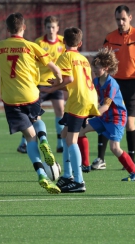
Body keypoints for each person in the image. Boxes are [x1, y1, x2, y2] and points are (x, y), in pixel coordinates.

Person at [0, 12, 62, 193]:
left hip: (10, 99)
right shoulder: (31, 46)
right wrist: (59, 77)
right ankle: (44, 139)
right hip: (30, 94)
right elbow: (52, 65)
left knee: (30, 137)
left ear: (7, 29)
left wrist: (1, 73)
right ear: (24, 27)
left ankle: (41, 174)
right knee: (37, 120)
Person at [91, 5, 135, 170]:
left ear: (130, 18)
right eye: (118, 19)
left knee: (130, 124)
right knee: (105, 118)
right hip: (113, 84)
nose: (120, 22)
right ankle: (100, 159)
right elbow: (101, 60)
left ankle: (131, 160)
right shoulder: (110, 37)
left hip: (133, 83)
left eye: (123, 19)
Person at [40, 27, 100, 193]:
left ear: (63, 42)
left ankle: (79, 181)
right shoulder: (84, 59)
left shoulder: (65, 56)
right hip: (88, 98)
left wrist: (53, 89)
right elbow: (75, 83)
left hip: (79, 101)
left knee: (71, 140)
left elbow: (69, 79)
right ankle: (67, 176)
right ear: (80, 43)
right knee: (66, 134)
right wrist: (58, 86)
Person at [77, 47, 135, 182]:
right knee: (80, 132)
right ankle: (85, 165)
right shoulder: (95, 81)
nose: (94, 70)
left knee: (114, 148)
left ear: (106, 68)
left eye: (98, 67)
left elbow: (106, 106)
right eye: (94, 67)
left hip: (116, 118)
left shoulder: (111, 84)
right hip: (104, 116)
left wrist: (89, 115)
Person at [17, 15, 66, 154]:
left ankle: (60, 143)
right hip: (40, 83)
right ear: (45, 28)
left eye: (53, 27)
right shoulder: (39, 43)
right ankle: (24, 143)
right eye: (48, 27)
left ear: (57, 28)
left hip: (55, 83)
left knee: (60, 110)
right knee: (35, 114)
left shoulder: (63, 42)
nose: (51, 30)